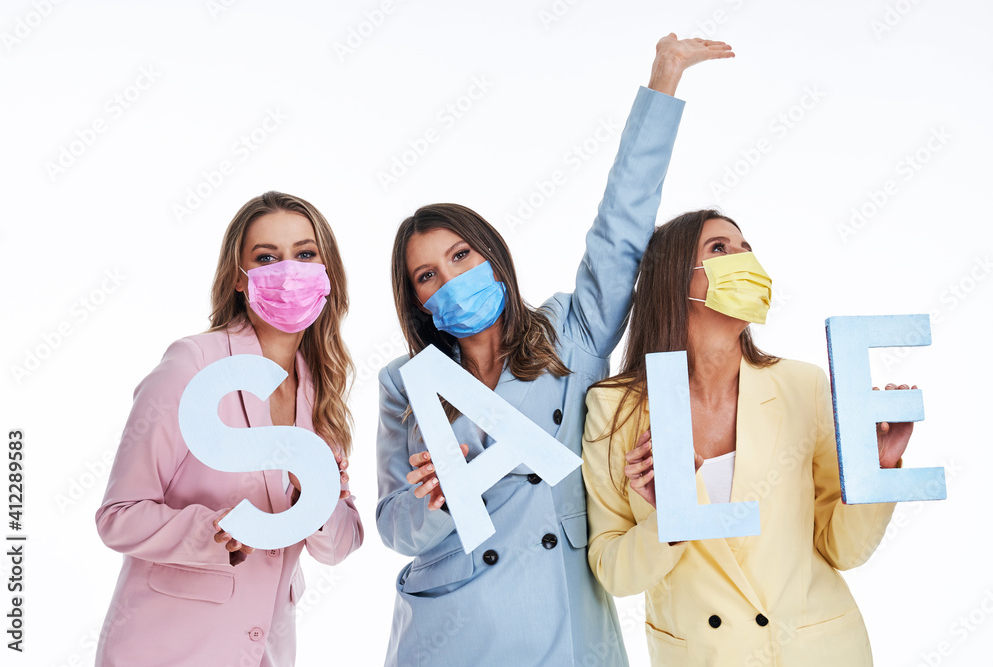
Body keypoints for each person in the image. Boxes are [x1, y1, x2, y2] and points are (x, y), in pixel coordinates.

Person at [374, 34, 734, 667]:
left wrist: (663, 81)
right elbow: (393, 524)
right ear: (418, 302)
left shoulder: (572, 331)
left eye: (461, 256)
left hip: (566, 619)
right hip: (450, 627)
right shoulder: (407, 382)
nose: (451, 279)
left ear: (493, 257)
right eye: (428, 275)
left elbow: (621, 230)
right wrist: (434, 501)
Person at [582, 210, 913, 665]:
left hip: (817, 651)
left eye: (746, 249)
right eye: (719, 248)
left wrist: (877, 466)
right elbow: (612, 571)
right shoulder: (614, 408)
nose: (743, 259)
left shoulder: (803, 385)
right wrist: (667, 521)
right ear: (676, 277)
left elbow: (844, 549)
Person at [95, 191, 363, 667]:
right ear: (240, 278)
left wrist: (314, 497)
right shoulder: (192, 365)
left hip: (264, 653)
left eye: (305, 254)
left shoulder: (320, 393)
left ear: (327, 272)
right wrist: (210, 530)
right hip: (165, 649)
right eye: (266, 257)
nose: (289, 270)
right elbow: (118, 515)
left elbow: (338, 546)